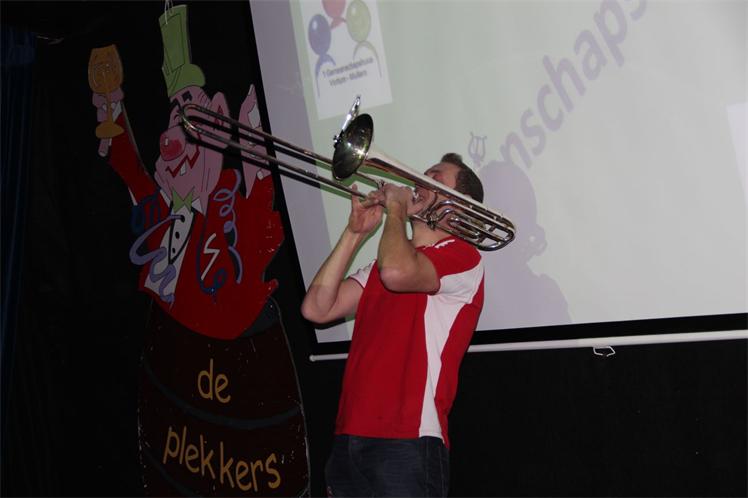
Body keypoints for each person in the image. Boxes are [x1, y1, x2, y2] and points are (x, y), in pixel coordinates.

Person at [301, 153, 486, 497]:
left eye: (435, 179)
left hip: (408, 440)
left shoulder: (464, 256)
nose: (420, 181)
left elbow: (398, 273)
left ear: (459, 206)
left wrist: (397, 209)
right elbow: (316, 308)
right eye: (424, 174)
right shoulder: (380, 266)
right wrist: (354, 234)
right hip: (349, 436)